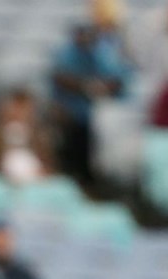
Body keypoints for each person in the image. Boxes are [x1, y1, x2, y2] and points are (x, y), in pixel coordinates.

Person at [50, 23, 131, 185]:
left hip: (96, 115)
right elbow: (59, 78)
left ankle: (92, 180)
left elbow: (117, 80)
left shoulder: (101, 53)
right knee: (72, 146)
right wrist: (86, 86)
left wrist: (98, 87)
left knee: (93, 148)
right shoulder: (66, 54)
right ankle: (72, 176)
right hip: (71, 111)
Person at [0, 88, 56, 184]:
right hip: (0, 182)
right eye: (15, 107)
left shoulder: (40, 136)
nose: (19, 113)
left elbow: (49, 165)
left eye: (24, 109)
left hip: (36, 183)